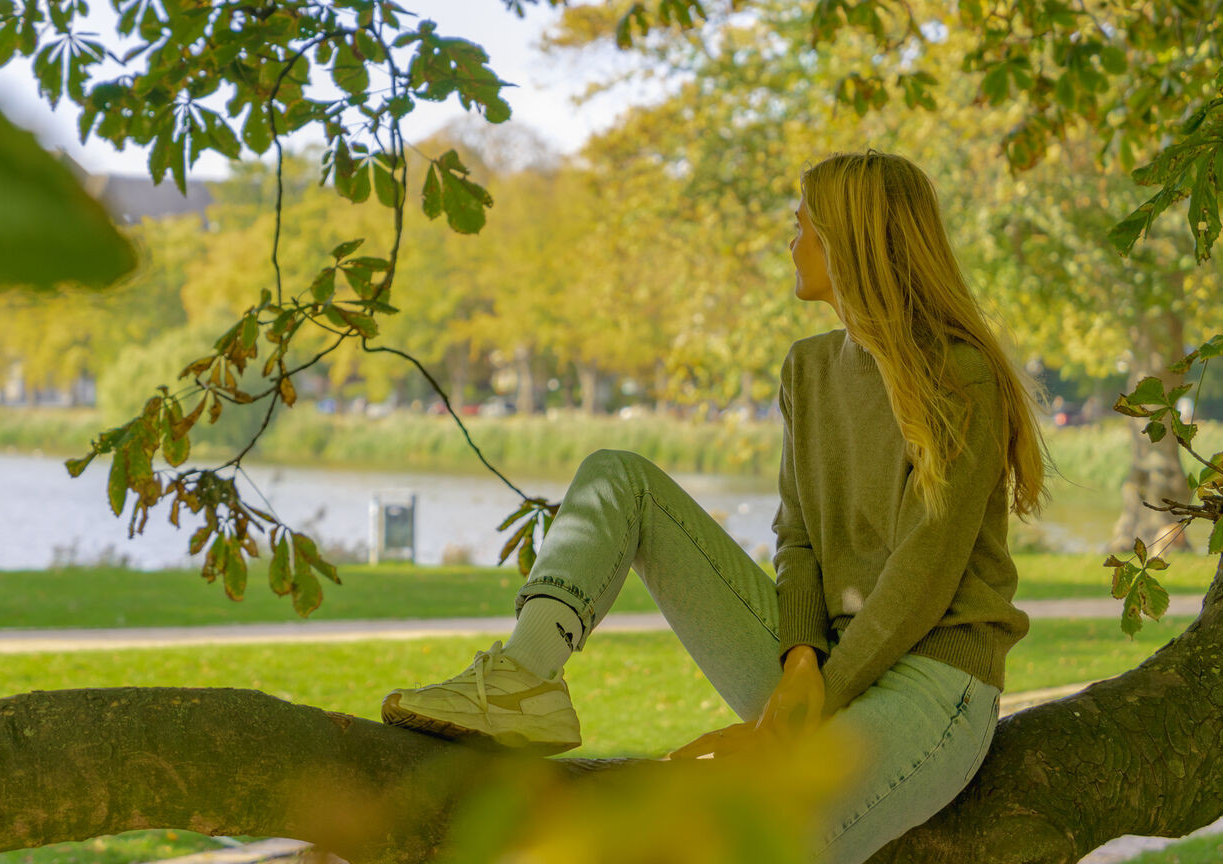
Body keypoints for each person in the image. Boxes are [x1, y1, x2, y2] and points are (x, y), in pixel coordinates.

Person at [380, 149, 1052, 863]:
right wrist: (799, 664)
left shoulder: (960, 375)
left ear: (851, 240)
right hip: (817, 661)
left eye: (803, 226)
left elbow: (926, 573)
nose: (790, 243)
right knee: (619, 478)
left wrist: (810, 703)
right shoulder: (809, 368)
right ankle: (523, 679)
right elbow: (797, 541)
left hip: (933, 676)